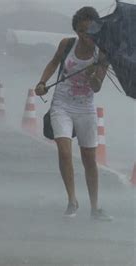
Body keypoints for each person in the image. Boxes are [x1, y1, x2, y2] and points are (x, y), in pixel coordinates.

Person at [35, 6, 112, 221]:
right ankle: (72, 200)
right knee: (64, 151)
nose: (84, 35)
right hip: (62, 105)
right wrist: (42, 82)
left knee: (89, 159)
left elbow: (97, 87)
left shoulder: (102, 54)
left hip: (85, 108)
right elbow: (53, 62)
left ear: (97, 30)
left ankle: (95, 207)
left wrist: (91, 75)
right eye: (80, 31)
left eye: (89, 31)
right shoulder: (67, 44)